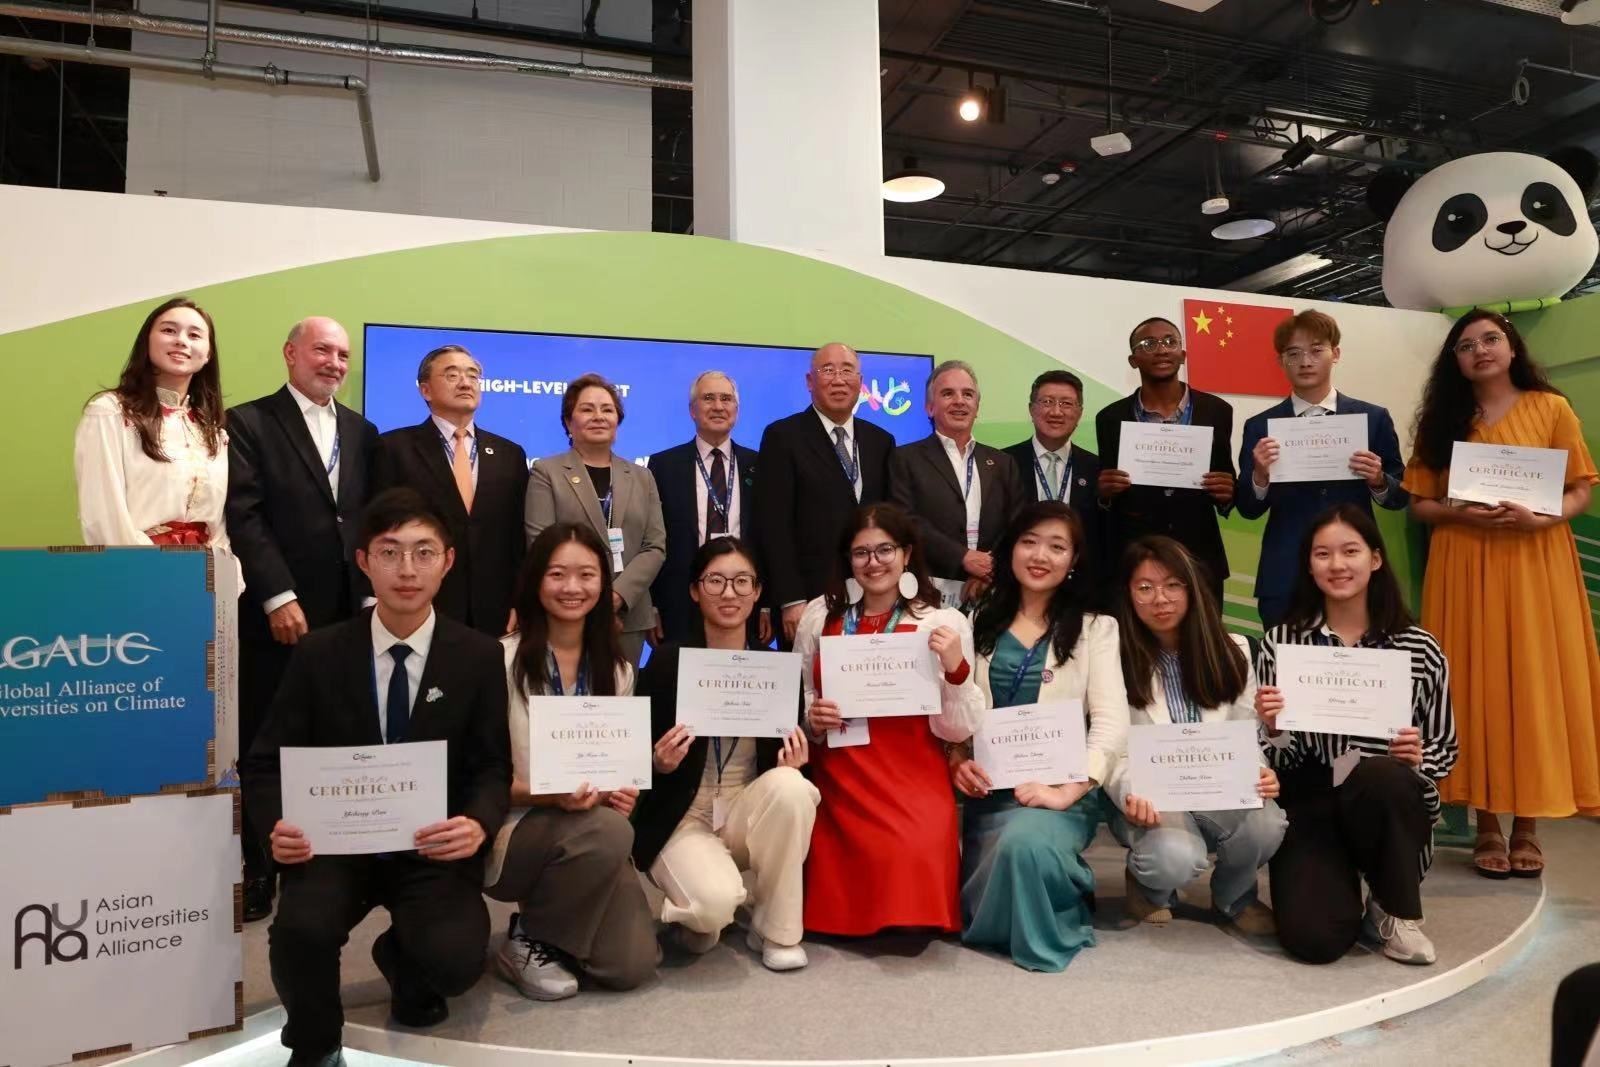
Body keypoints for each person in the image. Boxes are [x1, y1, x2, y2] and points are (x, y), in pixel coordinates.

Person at [241, 489, 511, 1067]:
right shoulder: (319, 653)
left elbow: (492, 765)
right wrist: (275, 827)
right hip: (335, 846)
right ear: (363, 560)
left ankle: (403, 959)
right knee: (300, 932)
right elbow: (264, 762)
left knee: (455, 960)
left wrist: (478, 823)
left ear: (448, 561)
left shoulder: (479, 656)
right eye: (390, 552)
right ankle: (316, 1045)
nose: (407, 570)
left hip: (429, 847)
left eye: (423, 552)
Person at [1402, 310, 1599, 879]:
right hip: (1464, 563)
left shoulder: (1552, 409)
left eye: (1491, 339)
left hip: (1536, 560)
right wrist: (1460, 513)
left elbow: (1580, 490)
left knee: (1532, 680)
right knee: (1474, 682)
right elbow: (1420, 504)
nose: (1480, 350)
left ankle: (1528, 825)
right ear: (1455, 361)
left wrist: (1545, 518)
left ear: (1512, 348)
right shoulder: (1442, 420)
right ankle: (1486, 823)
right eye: (1466, 345)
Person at [227, 316, 381, 923]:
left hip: (349, 614)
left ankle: (330, 855)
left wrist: (370, 596)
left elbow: (366, 521)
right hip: (277, 613)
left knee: (335, 737)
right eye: (322, 350)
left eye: (342, 354)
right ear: (290, 353)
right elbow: (243, 515)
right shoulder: (247, 422)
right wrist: (276, 595)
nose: (334, 363)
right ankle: (260, 866)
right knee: (265, 740)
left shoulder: (362, 431)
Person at [1255, 504, 1457, 966]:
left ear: (1376, 559)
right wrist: (1274, 730)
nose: (1337, 565)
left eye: (1351, 551)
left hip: (1383, 796)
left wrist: (1417, 758)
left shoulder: (1419, 647)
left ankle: (1393, 909)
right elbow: (1276, 760)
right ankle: (1344, 897)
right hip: (1310, 795)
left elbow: (1445, 749)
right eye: (1322, 554)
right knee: (1315, 941)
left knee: (1385, 777)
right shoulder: (1282, 642)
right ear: (1309, 565)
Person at [948, 501, 1128, 972]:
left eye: (1056, 546)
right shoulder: (976, 620)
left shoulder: (1096, 629)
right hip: (991, 790)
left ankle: (1063, 884)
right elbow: (957, 706)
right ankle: (1062, 883)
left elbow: (1111, 722)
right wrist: (957, 759)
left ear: (1074, 560)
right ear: (1010, 549)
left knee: (1022, 844)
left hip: (1062, 790)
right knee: (981, 892)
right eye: (1029, 542)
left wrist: (1068, 790)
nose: (1040, 556)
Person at [484, 521, 658, 1001]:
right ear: (536, 580)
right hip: (516, 827)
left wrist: (622, 790)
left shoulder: (618, 670)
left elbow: (616, 768)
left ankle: (549, 926)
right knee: (608, 831)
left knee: (630, 966)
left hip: (592, 829)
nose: (572, 588)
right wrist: (549, 795)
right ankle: (529, 941)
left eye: (587, 575)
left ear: (604, 584)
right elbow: (477, 778)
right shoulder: (497, 661)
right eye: (557, 574)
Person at [792, 503, 982, 935]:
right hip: (841, 771)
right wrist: (812, 719)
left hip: (913, 769)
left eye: (885, 550)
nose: (873, 562)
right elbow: (803, 697)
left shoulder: (941, 622)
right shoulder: (820, 617)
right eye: (861, 553)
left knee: (913, 849)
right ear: (848, 559)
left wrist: (956, 669)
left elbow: (959, 728)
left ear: (907, 554)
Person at [633, 537, 819, 970]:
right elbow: (631, 759)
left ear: (757, 592)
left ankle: (775, 931)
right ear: (695, 591)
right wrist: (656, 763)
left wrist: (791, 765)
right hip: (685, 813)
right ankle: (707, 910)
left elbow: (783, 761)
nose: (729, 593)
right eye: (715, 581)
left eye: (741, 582)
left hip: (744, 805)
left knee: (791, 787)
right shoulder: (666, 662)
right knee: (710, 909)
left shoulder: (776, 669)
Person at [1105, 536, 1284, 934]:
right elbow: (1111, 743)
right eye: (1145, 587)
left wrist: (1258, 771)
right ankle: (1149, 888)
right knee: (1175, 856)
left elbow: (1246, 731)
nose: (1160, 599)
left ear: (1192, 589)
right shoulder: (1112, 656)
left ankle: (1235, 897)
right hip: (1150, 793)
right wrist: (1131, 793)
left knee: (1266, 824)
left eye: (1173, 585)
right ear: (1129, 594)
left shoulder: (1234, 649)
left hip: (1218, 787)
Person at [1236, 309, 1408, 629]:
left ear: (1336, 354)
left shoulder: (1373, 419)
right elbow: (1247, 508)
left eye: (1316, 350)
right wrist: (1259, 475)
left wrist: (1378, 480)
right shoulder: (1260, 426)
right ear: (1280, 361)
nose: (1305, 361)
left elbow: (1400, 497)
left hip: (1355, 574)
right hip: (1285, 574)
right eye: (1293, 353)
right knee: (1284, 660)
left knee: (1356, 658)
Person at [376, 344, 528, 636]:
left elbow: (516, 537)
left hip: (495, 607)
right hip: (421, 601)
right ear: (425, 390)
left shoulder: (510, 453)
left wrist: (520, 599)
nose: (465, 383)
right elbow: (380, 530)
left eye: (472, 375)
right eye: (452, 374)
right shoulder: (393, 448)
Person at [755, 343, 895, 646]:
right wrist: (790, 598)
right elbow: (773, 525)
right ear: (810, 381)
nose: (838, 379)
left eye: (847, 370)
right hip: (808, 598)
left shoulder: (881, 441)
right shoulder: (783, 437)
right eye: (828, 370)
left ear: (860, 382)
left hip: (873, 595)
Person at [524, 373, 666, 665]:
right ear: (568, 422)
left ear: (617, 420)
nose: (599, 416)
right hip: (568, 608)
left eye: (607, 409)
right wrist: (590, 596)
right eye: (587, 409)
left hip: (628, 615)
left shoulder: (642, 476)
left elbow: (655, 545)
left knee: (621, 692)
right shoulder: (547, 472)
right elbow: (541, 544)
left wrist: (617, 596)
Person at [73, 297, 233, 557]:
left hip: (204, 571)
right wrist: (150, 568)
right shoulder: (110, 412)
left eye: (194, 335)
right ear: (146, 341)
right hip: (137, 569)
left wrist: (223, 571)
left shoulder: (213, 431)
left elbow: (219, 526)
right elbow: (104, 516)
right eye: (169, 330)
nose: (181, 341)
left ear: (208, 354)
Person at [1095, 317, 1237, 606]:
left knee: (1203, 636)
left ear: (1182, 355)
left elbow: (1227, 479)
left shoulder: (1217, 411)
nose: (1161, 349)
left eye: (1170, 342)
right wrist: (1105, 495)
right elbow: (1107, 495)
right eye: (1148, 344)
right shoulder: (1110, 418)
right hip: (1135, 558)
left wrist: (1227, 494)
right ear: (1133, 360)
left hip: (1200, 558)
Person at [889, 360, 1023, 608]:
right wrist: (963, 557)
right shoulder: (904, 459)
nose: (959, 401)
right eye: (948, 393)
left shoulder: (1003, 463)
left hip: (993, 591)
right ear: (930, 407)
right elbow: (905, 521)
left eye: (968, 394)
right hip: (927, 592)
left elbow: (1016, 524)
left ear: (977, 407)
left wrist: (988, 569)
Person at [645, 371, 767, 646]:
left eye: (726, 399)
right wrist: (652, 605)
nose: (718, 406)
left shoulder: (759, 465)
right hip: (678, 601)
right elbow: (652, 539)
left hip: (742, 598)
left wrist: (767, 605)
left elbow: (768, 537)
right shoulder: (664, 466)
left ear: (736, 409)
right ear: (692, 410)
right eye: (708, 398)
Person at [1002, 369, 1102, 594]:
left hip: (1082, 590)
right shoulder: (1004, 463)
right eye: (1047, 402)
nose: (1056, 411)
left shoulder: (1097, 468)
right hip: (1015, 587)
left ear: (1079, 413)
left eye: (1066, 404)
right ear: (1031, 409)